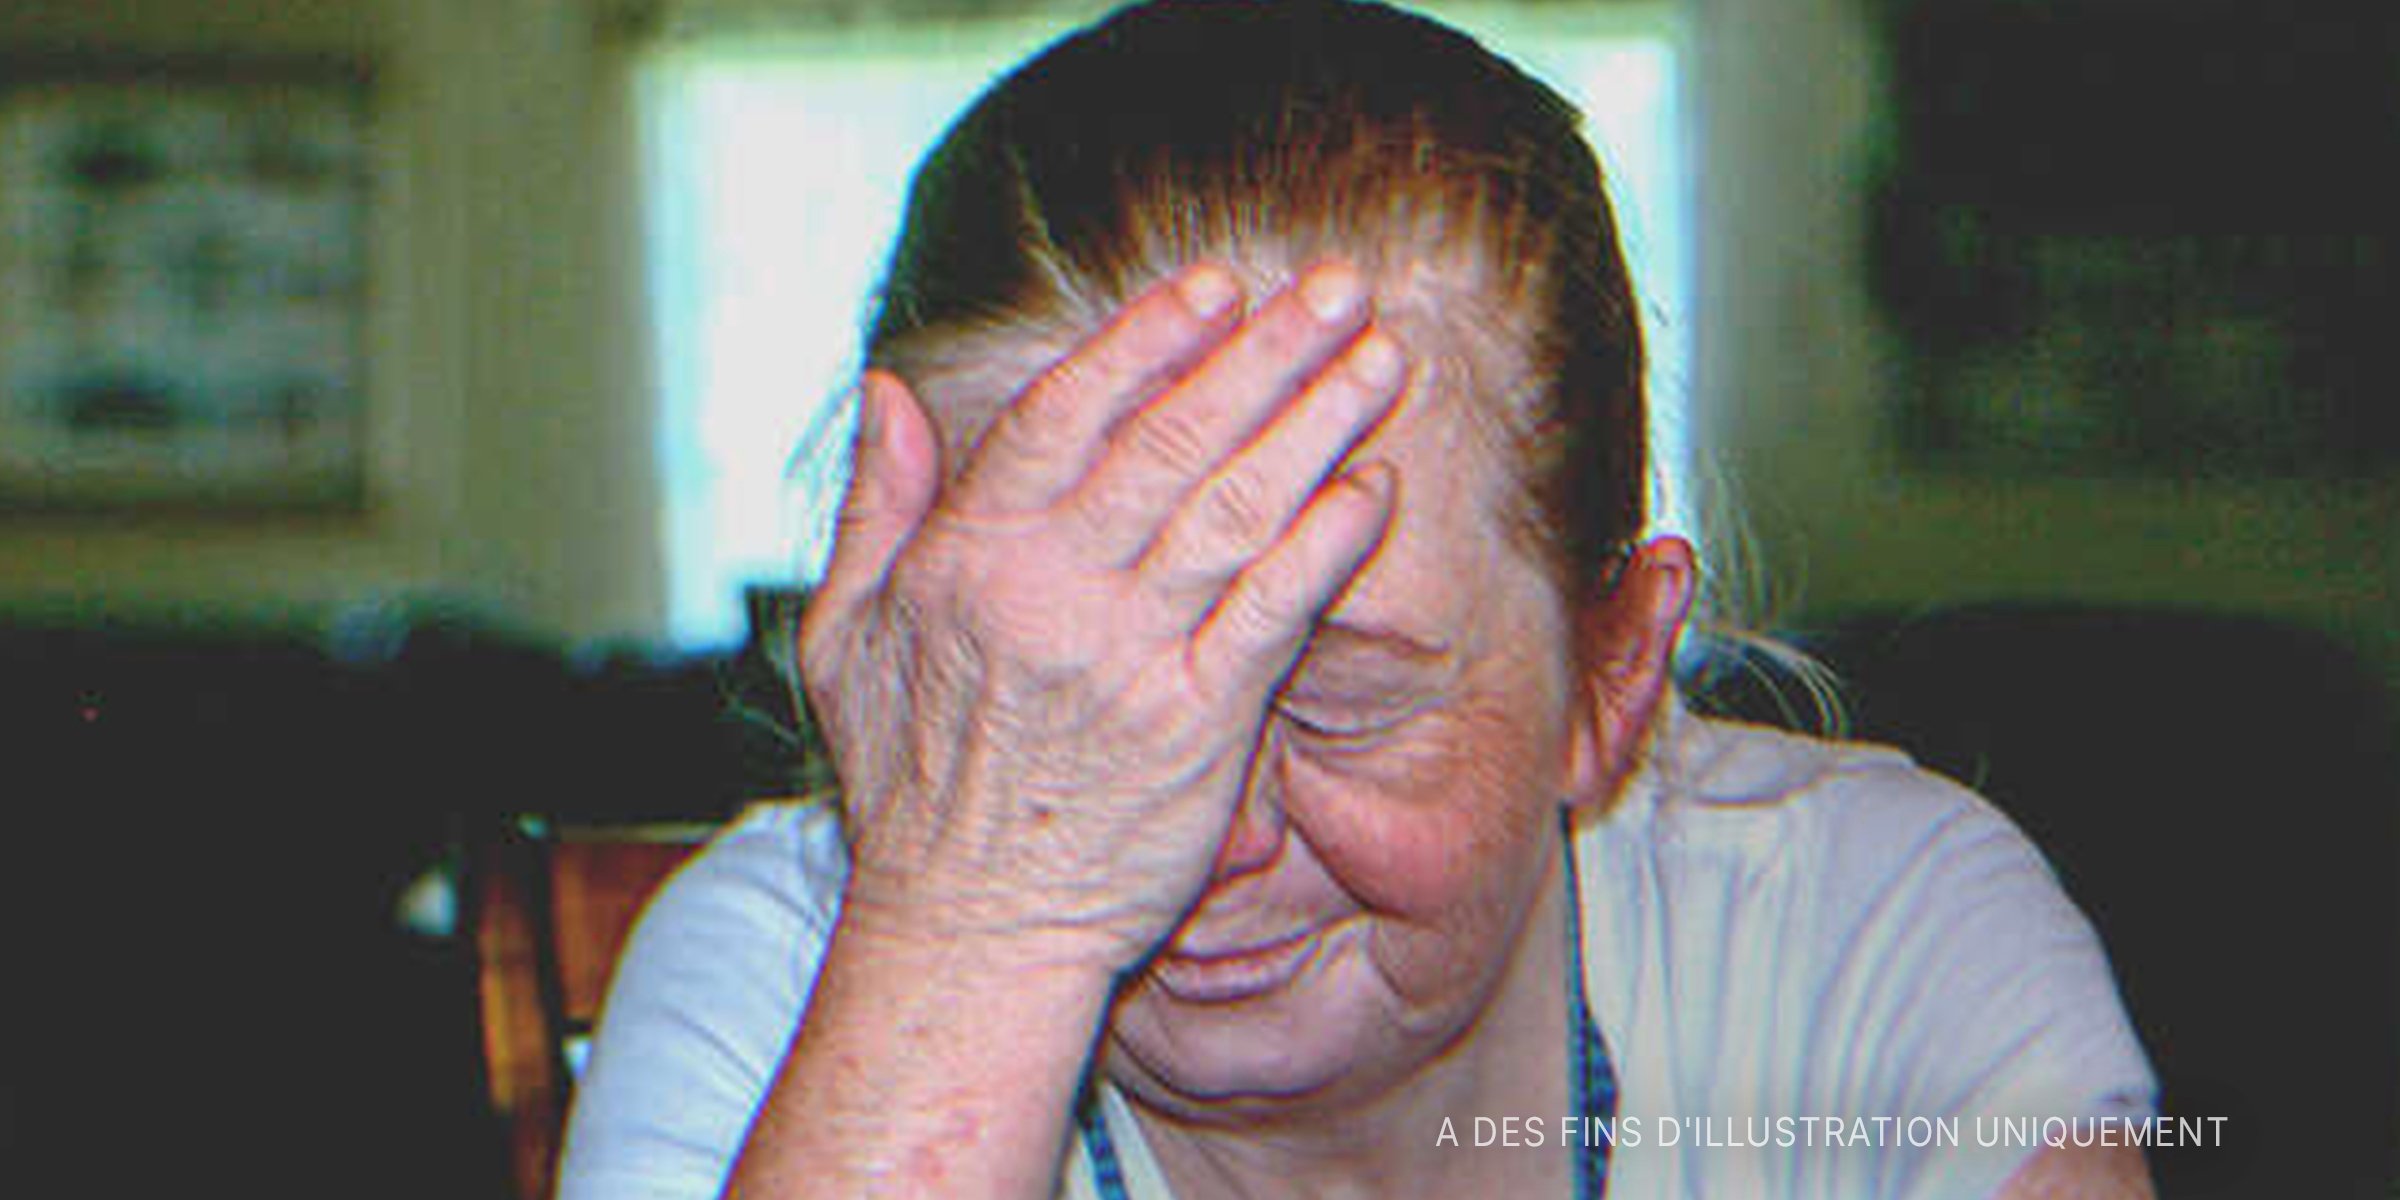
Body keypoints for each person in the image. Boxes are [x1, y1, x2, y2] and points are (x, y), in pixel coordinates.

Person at [559, 2, 2157, 1197]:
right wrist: (978, 925)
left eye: (1332, 700)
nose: (1200, 831)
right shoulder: (789, 975)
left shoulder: (1875, 938)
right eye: (1065, 699)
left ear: (1613, 679)